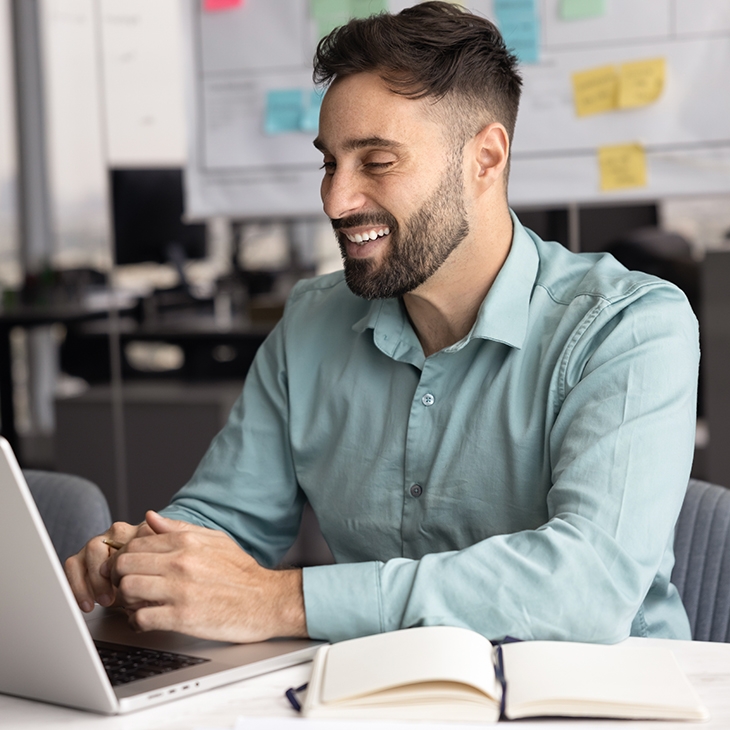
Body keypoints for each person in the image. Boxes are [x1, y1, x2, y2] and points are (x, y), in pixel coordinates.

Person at [65, 2, 699, 645]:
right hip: (379, 696)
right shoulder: (313, 321)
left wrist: (283, 601)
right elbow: (226, 517)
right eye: (329, 163)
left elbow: (584, 588)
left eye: (377, 162)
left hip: (595, 704)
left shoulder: (630, 327)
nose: (338, 200)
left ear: (485, 158)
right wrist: (150, 562)